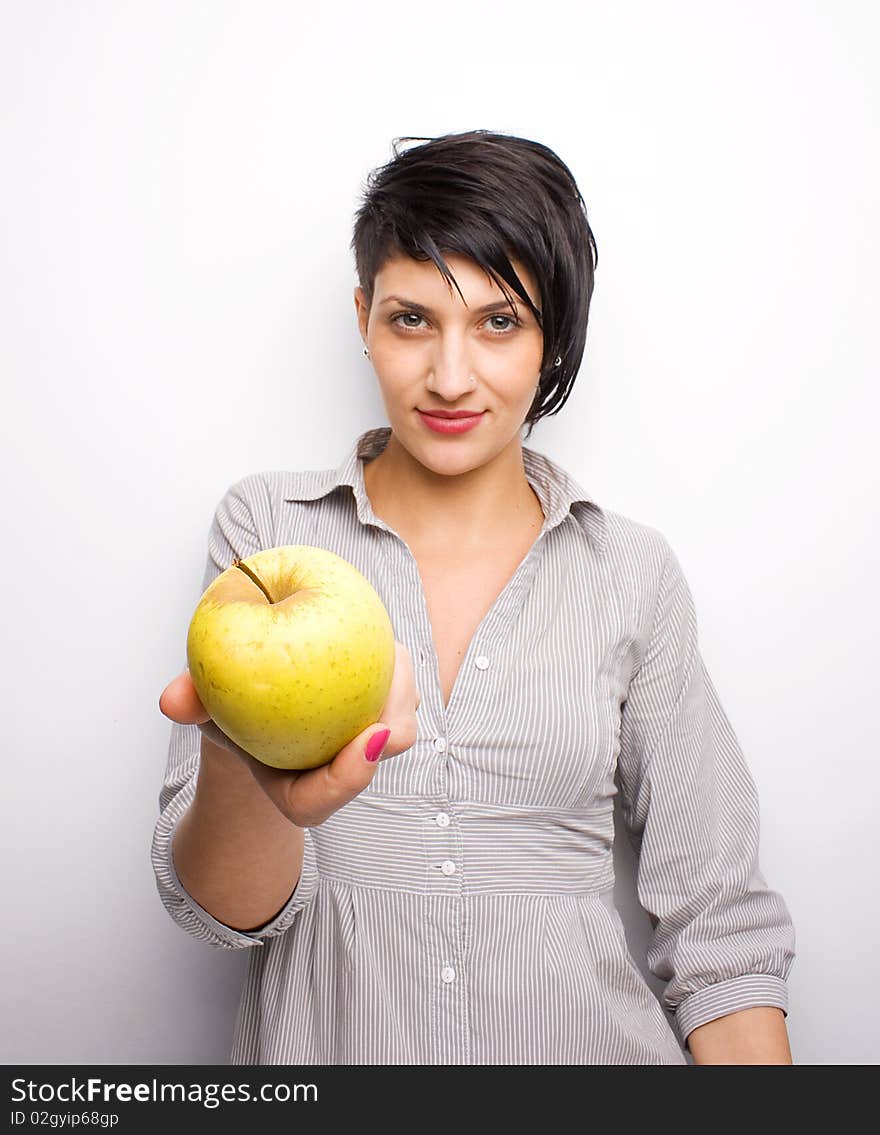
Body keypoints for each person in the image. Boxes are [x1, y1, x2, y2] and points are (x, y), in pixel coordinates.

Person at [154, 129, 796, 1066]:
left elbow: (722, 936)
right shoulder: (269, 535)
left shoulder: (631, 572)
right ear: (365, 315)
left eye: (500, 322)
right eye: (413, 319)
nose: (450, 377)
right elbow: (223, 914)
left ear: (553, 334)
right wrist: (242, 761)